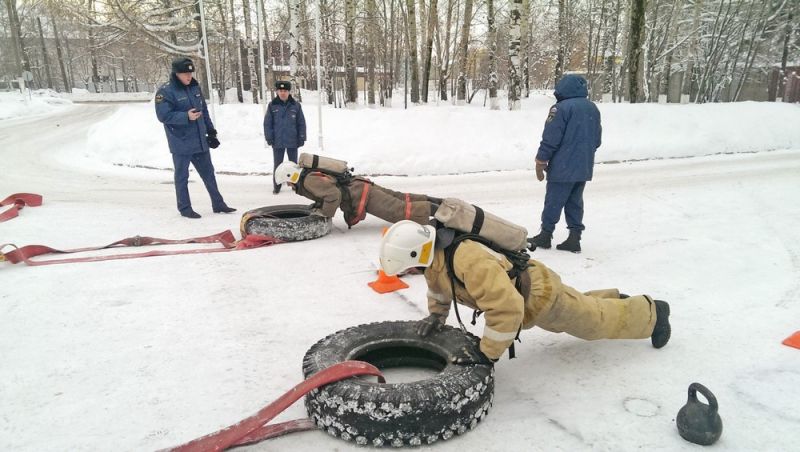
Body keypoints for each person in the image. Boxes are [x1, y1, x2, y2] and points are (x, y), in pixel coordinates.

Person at [378, 220, 671, 362]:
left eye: (409, 268)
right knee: (582, 307)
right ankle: (614, 302)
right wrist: (435, 317)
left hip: (539, 298)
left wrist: (486, 353)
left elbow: (508, 310)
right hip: (527, 289)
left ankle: (651, 312)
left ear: (417, 255)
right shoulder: (436, 259)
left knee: (592, 325)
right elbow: (440, 291)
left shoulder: (469, 262)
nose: (412, 273)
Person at [154, 57, 235, 219]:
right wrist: (185, 116)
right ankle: (185, 208)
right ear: (176, 73)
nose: (189, 76)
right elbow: (163, 116)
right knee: (182, 176)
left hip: (199, 140)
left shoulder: (194, 87)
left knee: (209, 174)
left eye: (190, 73)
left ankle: (218, 204)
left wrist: (211, 132)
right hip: (181, 142)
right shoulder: (165, 92)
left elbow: (203, 111)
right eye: (185, 73)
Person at [530, 74, 602, 253]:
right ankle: (574, 237)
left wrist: (541, 159)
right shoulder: (592, 108)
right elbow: (597, 139)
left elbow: (551, 138)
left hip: (563, 166)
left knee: (554, 201)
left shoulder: (560, 109)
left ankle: (546, 235)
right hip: (584, 165)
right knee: (575, 201)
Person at [274, 160, 440, 227]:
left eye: (287, 181)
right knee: (401, 199)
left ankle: (445, 212)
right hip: (361, 187)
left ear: (291, 176)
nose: (288, 185)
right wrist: (318, 206)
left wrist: (324, 213)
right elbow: (326, 192)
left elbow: (333, 195)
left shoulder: (309, 180)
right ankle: (443, 203)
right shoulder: (308, 175)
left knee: (400, 212)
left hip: (362, 195)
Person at [264, 80, 307, 195]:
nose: (283, 93)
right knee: (277, 164)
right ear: (277, 91)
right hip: (277, 141)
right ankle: (277, 185)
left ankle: (294, 184)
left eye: (285, 91)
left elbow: (301, 123)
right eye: (280, 91)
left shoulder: (296, 106)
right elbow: (267, 123)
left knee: (294, 165)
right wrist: (269, 137)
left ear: (289, 92)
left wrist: (301, 137)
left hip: (293, 140)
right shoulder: (272, 105)